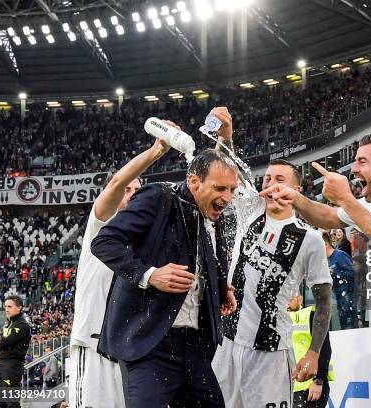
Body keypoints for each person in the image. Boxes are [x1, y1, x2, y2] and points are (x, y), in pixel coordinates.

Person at [262, 133, 371, 408]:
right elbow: (327, 217)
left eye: (362, 161)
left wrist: (346, 200)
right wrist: (295, 198)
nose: (353, 169)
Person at [91, 139, 239, 406]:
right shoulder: (159, 197)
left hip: (195, 346)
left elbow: (202, 259)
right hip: (150, 344)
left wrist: (217, 289)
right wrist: (150, 274)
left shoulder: (214, 213)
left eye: (231, 189)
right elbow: (104, 242)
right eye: (219, 188)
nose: (227, 198)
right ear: (194, 182)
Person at [69, 120, 174, 408]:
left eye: (136, 191)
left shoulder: (145, 239)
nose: (131, 194)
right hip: (93, 345)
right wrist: (156, 151)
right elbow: (116, 182)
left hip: (131, 349)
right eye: (127, 190)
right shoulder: (101, 226)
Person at [212, 159, 332, 408]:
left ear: (296, 192)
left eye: (280, 180)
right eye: (267, 179)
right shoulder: (251, 211)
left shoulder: (310, 239)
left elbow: (323, 301)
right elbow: (230, 163)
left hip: (270, 351)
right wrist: (226, 134)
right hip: (228, 343)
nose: (271, 184)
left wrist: (313, 353)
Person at [289, 293, 334, 408]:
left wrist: (318, 381)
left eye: (290, 299)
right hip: (289, 388)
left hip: (309, 387)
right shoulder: (280, 320)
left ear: (300, 299)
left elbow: (324, 349)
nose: (287, 303)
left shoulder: (311, 315)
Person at [0, 295, 31, 408]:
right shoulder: (9, 323)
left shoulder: (22, 325)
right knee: (2, 402)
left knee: (11, 402)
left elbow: (3, 343)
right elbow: (0, 343)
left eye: (10, 306)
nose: (6, 309)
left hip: (12, 365)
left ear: (19, 308)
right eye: (5, 306)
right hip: (4, 364)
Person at [323, 232, 356, 329]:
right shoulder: (327, 259)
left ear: (325, 244)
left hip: (348, 297)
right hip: (338, 297)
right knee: (343, 324)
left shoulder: (340, 255)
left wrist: (334, 273)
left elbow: (353, 273)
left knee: (348, 326)